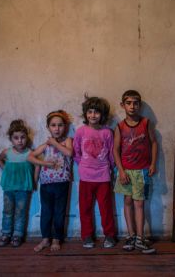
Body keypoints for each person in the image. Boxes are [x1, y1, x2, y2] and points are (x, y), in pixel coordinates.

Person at [113, 90, 158, 254]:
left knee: (139, 203)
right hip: (126, 172)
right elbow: (115, 150)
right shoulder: (119, 126)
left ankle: (140, 237)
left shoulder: (146, 123)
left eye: (135, 103)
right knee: (127, 202)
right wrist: (121, 171)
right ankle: (131, 236)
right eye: (128, 103)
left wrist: (153, 163)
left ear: (140, 105)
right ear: (122, 105)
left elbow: (154, 143)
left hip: (141, 171)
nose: (132, 106)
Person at [73, 95, 116, 249]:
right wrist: (83, 165)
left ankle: (109, 235)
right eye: (90, 112)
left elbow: (111, 154)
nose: (93, 115)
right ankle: (87, 236)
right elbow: (76, 152)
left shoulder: (107, 133)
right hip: (85, 177)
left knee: (106, 208)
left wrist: (112, 170)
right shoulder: (80, 132)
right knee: (85, 208)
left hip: (103, 177)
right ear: (85, 114)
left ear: (102, 115)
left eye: (96, 112)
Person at [28, 110, 73, 252]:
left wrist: (54, 143)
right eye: (53, 125)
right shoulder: (45, 145)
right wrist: (44, 164)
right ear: (48, 127)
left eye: (60, 125)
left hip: (62, 183)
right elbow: (30, 157)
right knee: (46, 212)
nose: (57, 128)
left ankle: (56, 239)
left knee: (59, 212)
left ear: (65, 127)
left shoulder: (67, 141)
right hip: (46, 184)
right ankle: (45, 238)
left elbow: (69, 153)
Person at [0, 119, 36, 247]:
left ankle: (17, 235)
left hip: (23, 188)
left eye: (22, 137)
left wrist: (34, 181)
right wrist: (6, 170)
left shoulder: (30, 153)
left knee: (20, 211)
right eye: (16, 138)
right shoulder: (7, 152)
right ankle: (6, 233)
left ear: (27, 138)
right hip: (9, 188)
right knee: (7, 211)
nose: (20, 140)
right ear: (11, 139)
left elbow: (38, 166)